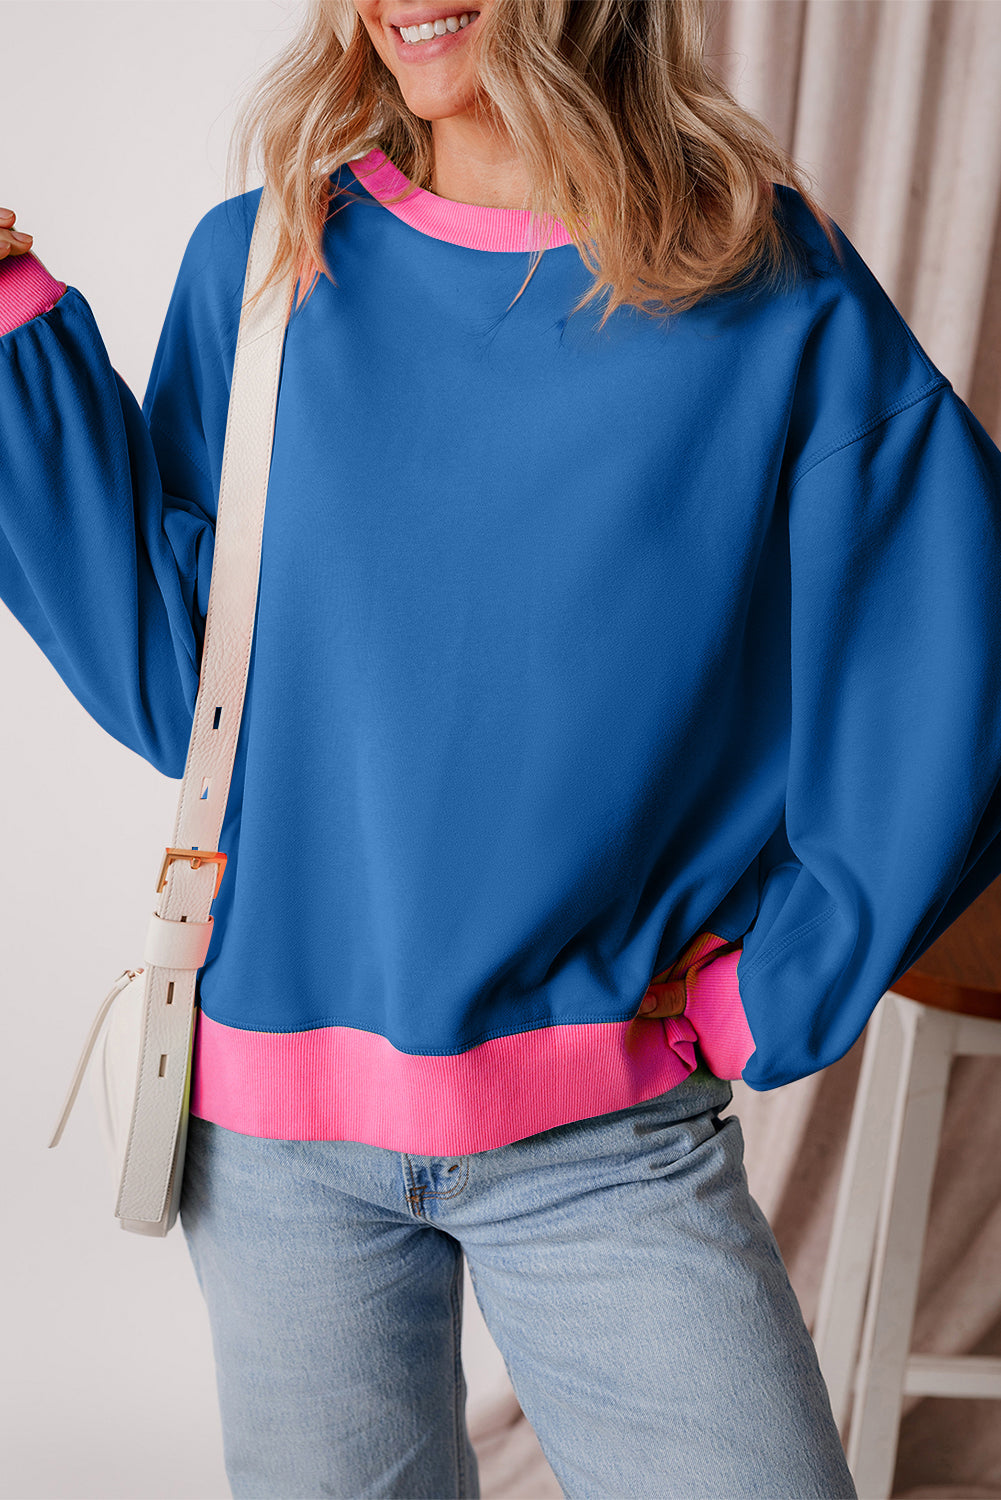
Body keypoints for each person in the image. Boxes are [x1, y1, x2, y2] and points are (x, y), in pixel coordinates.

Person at [4, 0, 1001, 1495]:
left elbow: (952, 642)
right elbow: (191, 686)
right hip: (273, 1138)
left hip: (605, 1134)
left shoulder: (762, 282)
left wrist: (776, 983)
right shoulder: (267, 264)